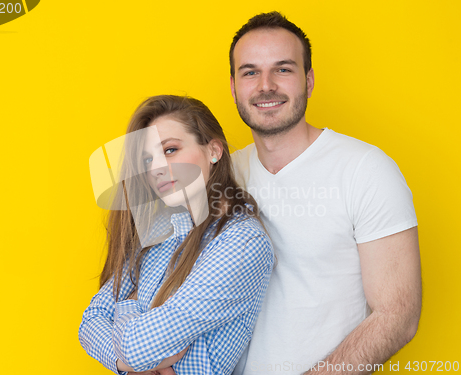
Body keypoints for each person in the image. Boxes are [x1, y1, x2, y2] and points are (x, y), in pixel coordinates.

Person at [228, 12, 422, 375]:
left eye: (283, 69)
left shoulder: (365, 169)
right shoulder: (224, 175)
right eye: (250, 72)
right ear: (234, 86)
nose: (265, 85)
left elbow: (398, 315)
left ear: (309, 80)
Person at [79, 95, 274, 375]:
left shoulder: (241, 242)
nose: (156, 168)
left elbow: (136, 348)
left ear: (214, 151)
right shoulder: (159, 232)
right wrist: (128, 363)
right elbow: (90, 322)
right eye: (147, 158)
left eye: (170, 150)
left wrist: (127, 306)